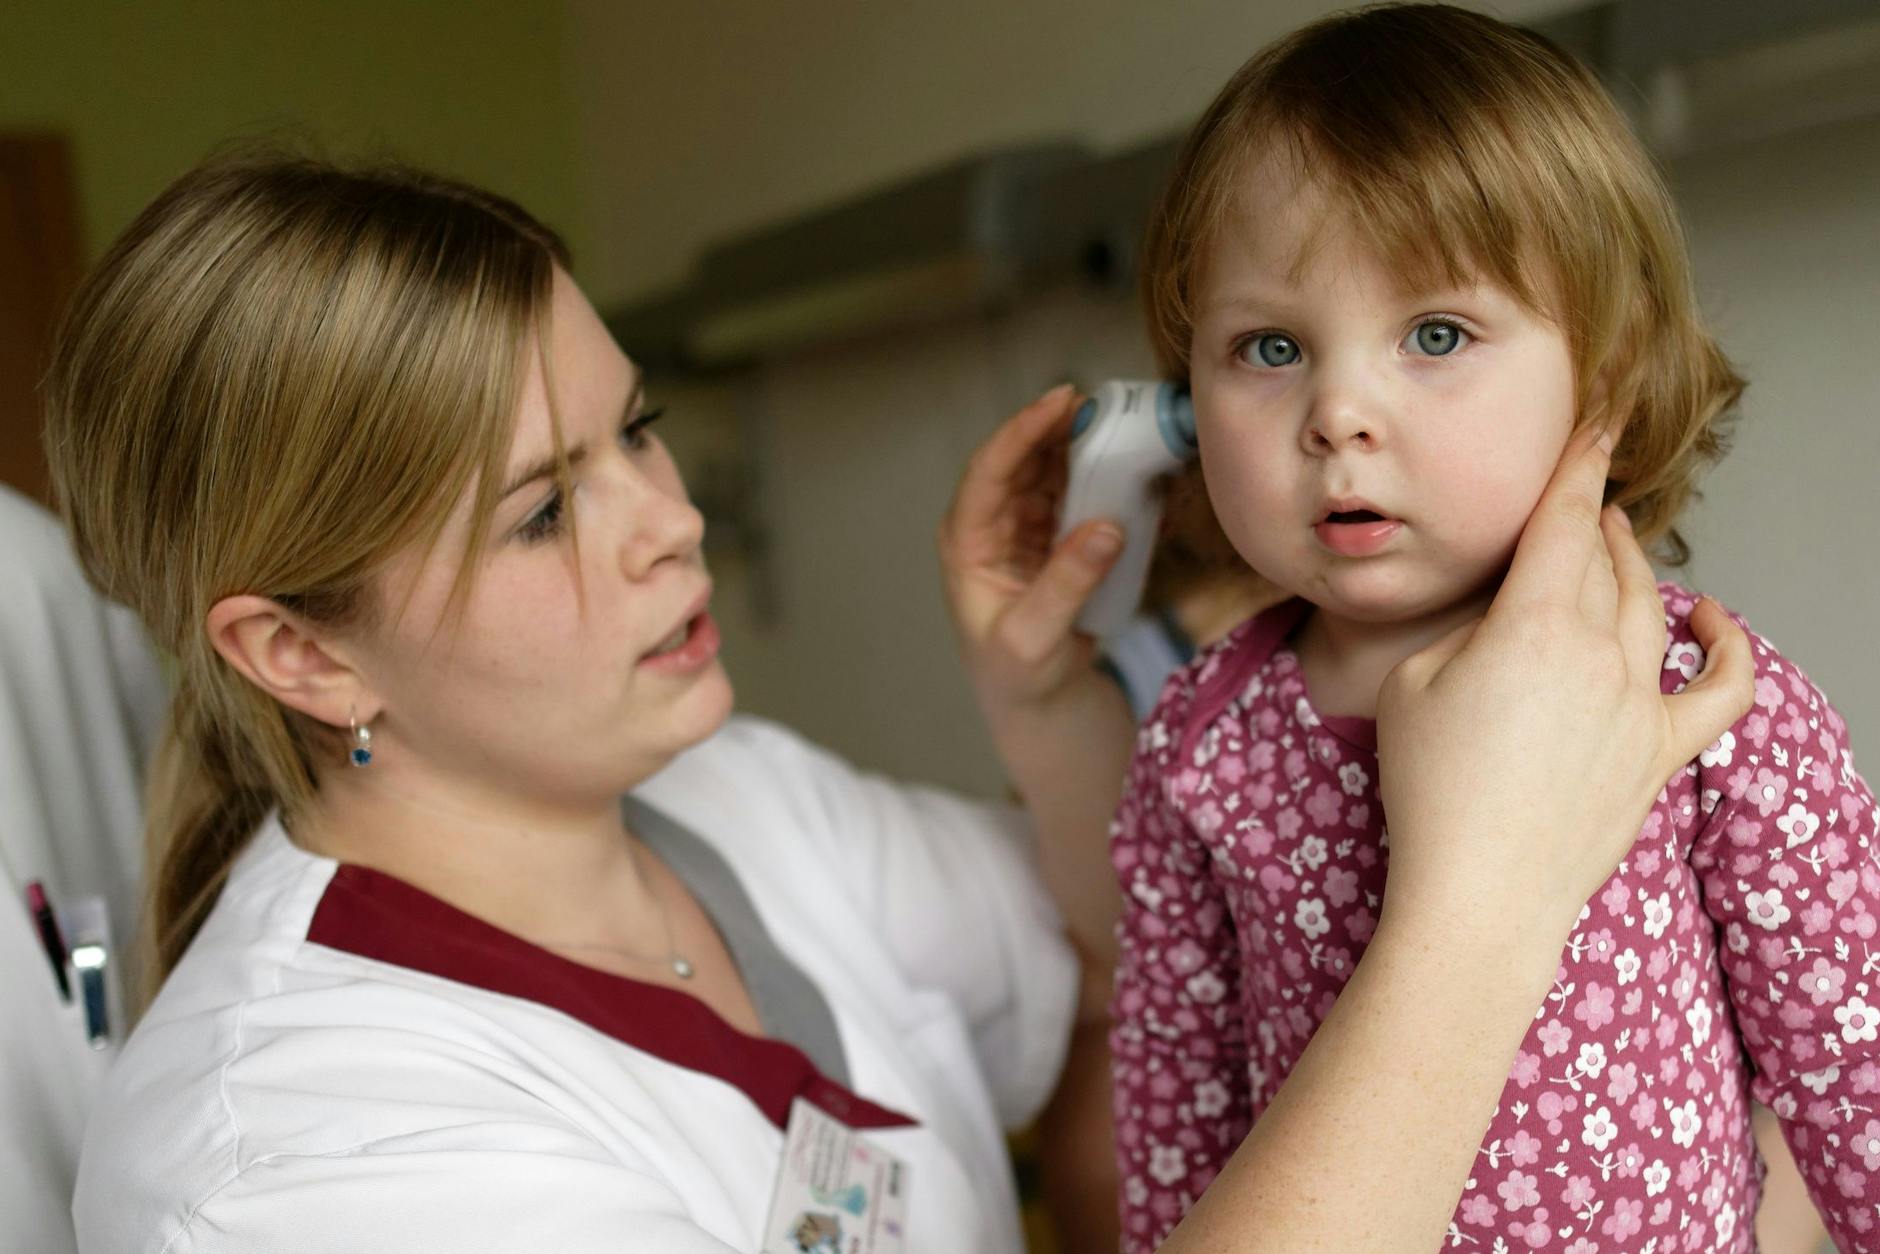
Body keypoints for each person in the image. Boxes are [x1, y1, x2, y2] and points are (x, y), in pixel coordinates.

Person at [46, 152, 1748, 1254]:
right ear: (302, 652)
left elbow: (1135, 939)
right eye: (549, 508)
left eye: (636, 429)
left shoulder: (737, 801)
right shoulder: (299, 1164)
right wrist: (1488, 900)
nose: (674, 523)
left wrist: (1045, 702)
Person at [1105, 6, 1876, 1252]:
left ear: (1608, 375)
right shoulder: (1200, 740)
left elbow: (1856, 1074)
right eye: (1268, 347)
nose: (1337, 412)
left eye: (1436, 334)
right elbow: (1174, 1116)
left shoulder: (1701, 701)